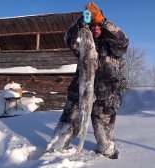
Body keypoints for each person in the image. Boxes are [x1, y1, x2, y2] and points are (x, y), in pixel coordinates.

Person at [46, 2, 129, 159]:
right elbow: (68, 38)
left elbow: (123, 42)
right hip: (80, 92)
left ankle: (107, 156)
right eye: (93, 25)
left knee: (106, 145)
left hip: (105, 98)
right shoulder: (84, 42)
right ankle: (50, 156)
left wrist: (104, 21)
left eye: (99, 25)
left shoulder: (111, 45)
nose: (96, 28)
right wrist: (80, 22)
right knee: (63, 132)